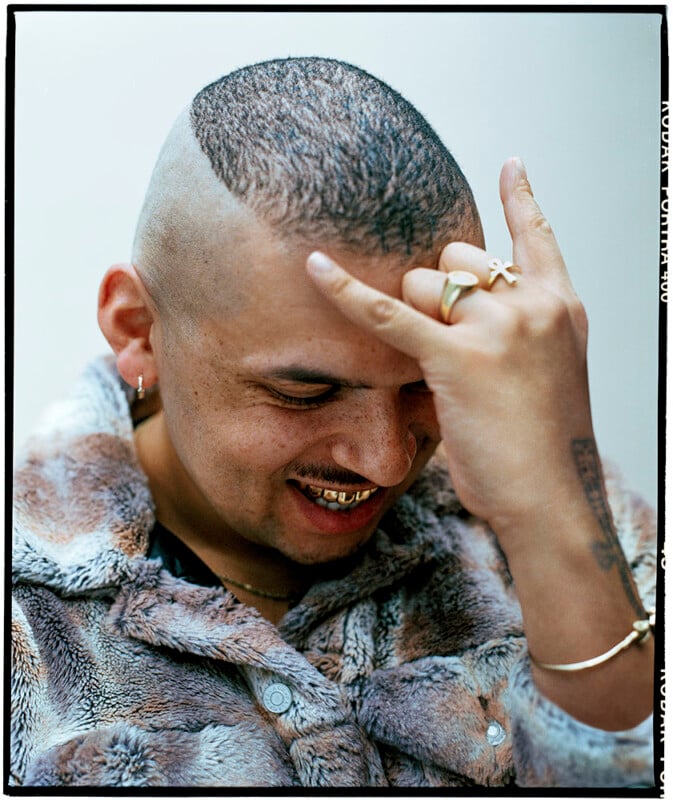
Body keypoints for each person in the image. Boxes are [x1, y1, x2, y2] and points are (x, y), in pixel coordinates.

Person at [11, 57, 656, 788]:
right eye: (304, 392)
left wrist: (555, 508)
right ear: (136, 329)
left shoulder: (560, 516)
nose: (383, 459)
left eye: (423, 382)